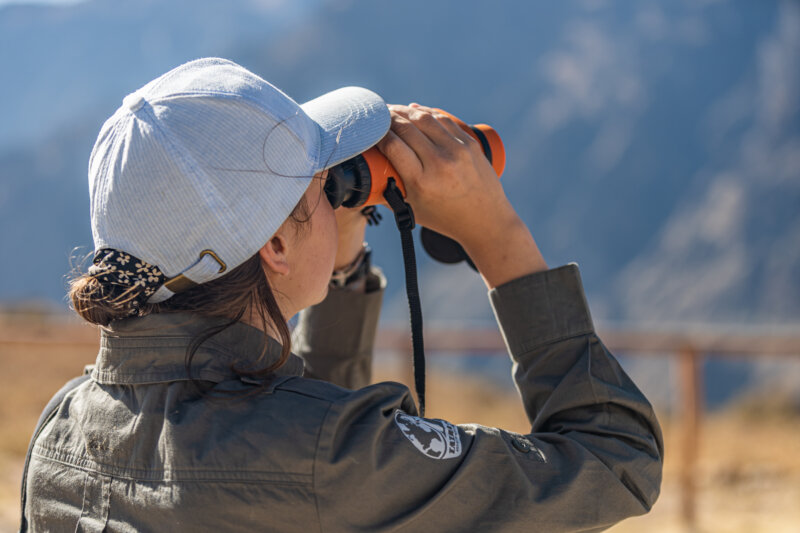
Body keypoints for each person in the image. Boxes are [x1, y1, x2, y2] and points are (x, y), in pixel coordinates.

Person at [23, 58, 663, 532]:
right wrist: (498, 238)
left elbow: (295, 436)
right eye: (319, 189)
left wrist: (340, 246)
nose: (334, 197)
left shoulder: (63, 427)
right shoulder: (325, 455)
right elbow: (617, 462)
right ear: (275, 246)